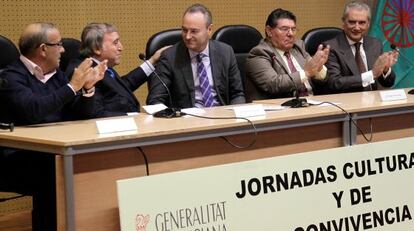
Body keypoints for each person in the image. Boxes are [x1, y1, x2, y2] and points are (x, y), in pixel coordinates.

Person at [0, 22, 105, 231]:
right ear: (43, 49)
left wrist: (87, 90)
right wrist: (72, 87)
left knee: (95, 162)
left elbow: (78, 114)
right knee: (56, 172)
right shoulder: (10, 77)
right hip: (17, 157)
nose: (63, 49)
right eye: (58, 44)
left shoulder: (56, 75)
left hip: (55, 151)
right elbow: (33, 110)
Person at [146, 4, 245, 108]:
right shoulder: (169, 57)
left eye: (194, 31)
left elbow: (237, 93)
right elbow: (155, 99)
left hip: (222, 116)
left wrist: (236, 118)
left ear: (209, 29)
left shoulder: (225, 52)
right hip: (186, 120)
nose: (187, 36)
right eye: (184, 30)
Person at [66, 23, 169, 117]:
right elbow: (96, 114)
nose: (121, 47)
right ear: (97, 48)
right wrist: (133, 117)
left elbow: (120, 87)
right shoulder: (85, 71)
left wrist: (152, 61)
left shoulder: (100, 64)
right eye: (115, 43)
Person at [245, 8, 330, 101]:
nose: (290, 34)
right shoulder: (259, 53)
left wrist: (319, 68)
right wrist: (307, 72)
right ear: (269, 31)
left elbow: (323, 81)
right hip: (280, 109)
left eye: (293, 29)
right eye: (284, 29)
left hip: (311, 103)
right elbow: (273, 84)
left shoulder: (298, 47)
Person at [324, 1, 398, 93]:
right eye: (352, 22)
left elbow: (388, 83)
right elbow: (335, 83)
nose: (357, 27)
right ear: (343, 22)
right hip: (348, 103)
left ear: (368, 24)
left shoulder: (375, 44)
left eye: (362, 23)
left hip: (374, 102)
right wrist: (372, 74)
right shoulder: (330, 48)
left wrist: (385, 69)